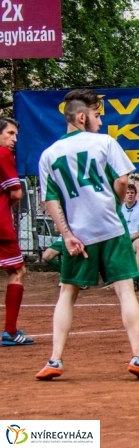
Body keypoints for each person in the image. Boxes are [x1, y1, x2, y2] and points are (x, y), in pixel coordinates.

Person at [35, 89, 139, 380]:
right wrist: (113, 204)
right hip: (111, 227)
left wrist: (67, 235)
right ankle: (138, 356)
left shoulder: (48, 155)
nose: (100, 121)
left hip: (78, 233)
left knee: (67, 292)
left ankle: (55, 360)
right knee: (125, 289)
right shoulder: (104, 142)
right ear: (80, 117)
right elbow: (123, 179)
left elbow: (50, 199)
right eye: (97, 115)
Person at [0, 117, 33, 347]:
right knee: (18, 271)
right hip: (1, 227)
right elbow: (16, 193)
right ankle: (10, 331)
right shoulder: (3, 155)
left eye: (16, 135)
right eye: (10, 133)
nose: (14, 139)